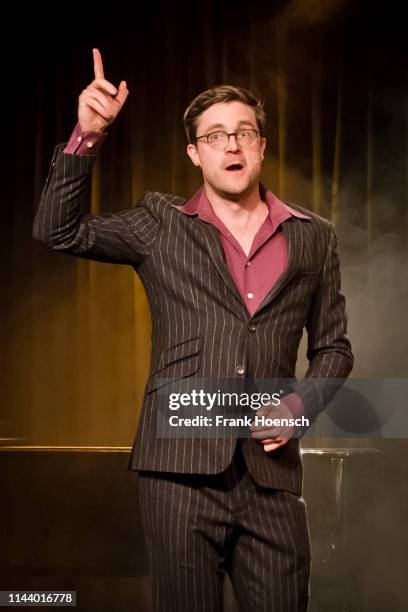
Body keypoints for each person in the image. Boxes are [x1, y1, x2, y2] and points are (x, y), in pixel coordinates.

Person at [33, 48, 353, 611]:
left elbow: (333, 348)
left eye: (244, 133)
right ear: (194, 153)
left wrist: (302, 401)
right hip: (176, 473)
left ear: (261, 147)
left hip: (272, 479)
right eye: (215, 136)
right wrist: (86, 137)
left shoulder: (313, 236)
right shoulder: (161, 223)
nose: (231, 144)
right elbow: (57, 231)